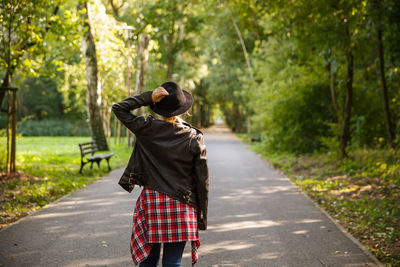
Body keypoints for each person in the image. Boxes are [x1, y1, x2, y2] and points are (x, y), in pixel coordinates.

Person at [112, 81, 209, 267]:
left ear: (158, 109)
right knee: (173, 262)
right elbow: (202, 180)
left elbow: (119, 108)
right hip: (183, 205)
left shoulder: (146, 128)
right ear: (182, 110)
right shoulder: (195, 138)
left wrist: (148, 97)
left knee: (148, 261)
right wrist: (201, 217)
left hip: (152, 202)